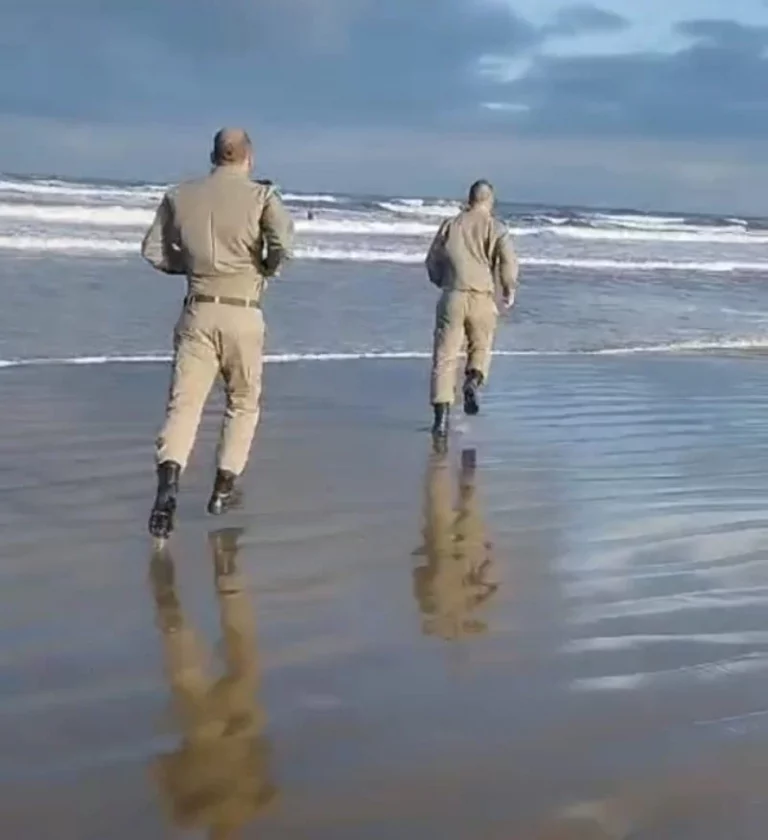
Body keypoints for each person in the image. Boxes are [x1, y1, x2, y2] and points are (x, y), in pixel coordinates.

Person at [141, 128, 294, 539]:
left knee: (184, 406)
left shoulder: (179, 195)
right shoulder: (262, 197)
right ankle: (223, 487)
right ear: (249, 157)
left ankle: (169, 483)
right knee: (242, 403)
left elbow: (153, 251)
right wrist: (266, 267)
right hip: (243, 312)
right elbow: (283, 245)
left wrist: (186, 267)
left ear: (214, 155)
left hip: (198, 310)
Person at [148, 529, 277, 838]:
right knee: (188, 674)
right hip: (201, 732)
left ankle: (228, 580)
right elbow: (162, 770)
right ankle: (172, 614)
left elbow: (267, 776)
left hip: (238, 724)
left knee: (242, 651)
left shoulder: (248, 805)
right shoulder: (190, 815)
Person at [424, 180, 519, 440]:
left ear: (469, 198)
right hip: (482, 297)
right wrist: (509, 288)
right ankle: (473, 380)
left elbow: (432, 260)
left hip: (452, 295)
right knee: (481, 346)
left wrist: (441, 280)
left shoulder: (451, 225)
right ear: (490, 201)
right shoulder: (497, 228)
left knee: (444, 357)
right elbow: (508, 262)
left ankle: (441, 421)